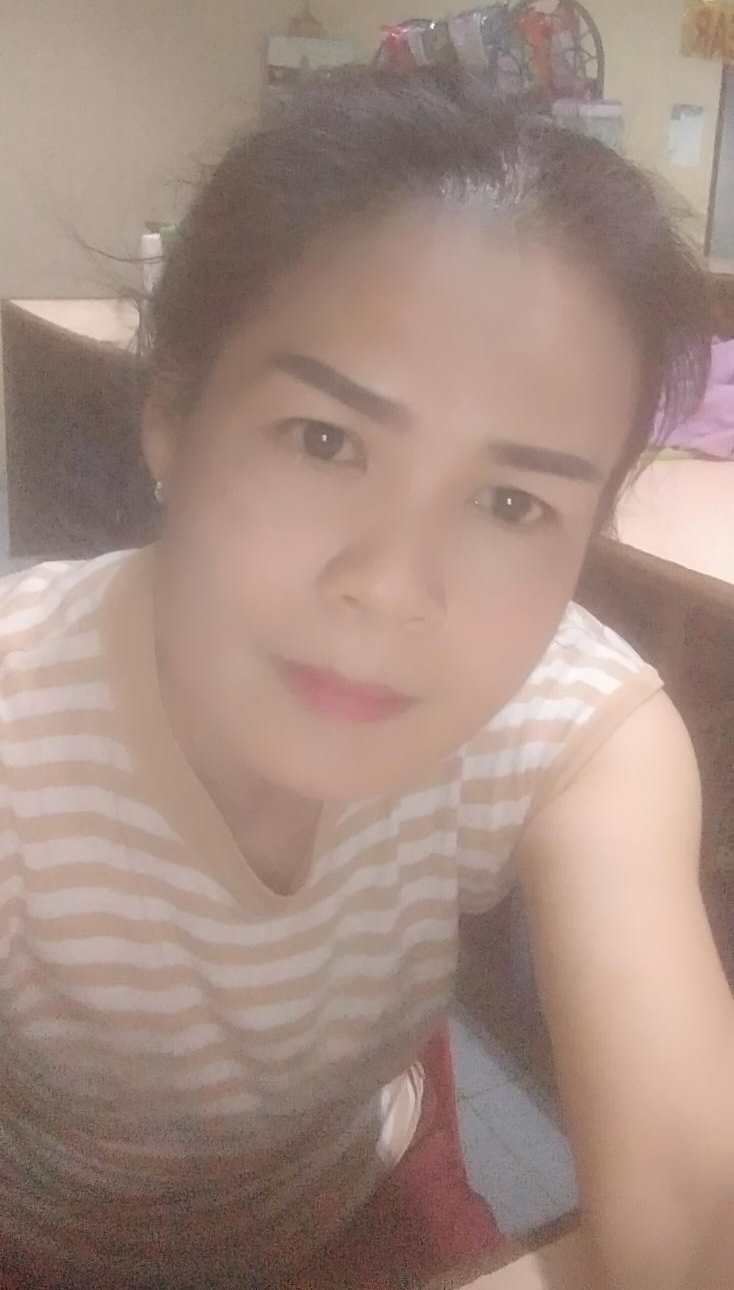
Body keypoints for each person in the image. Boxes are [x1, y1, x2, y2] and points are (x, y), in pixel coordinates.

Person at [0, 66, 732, 1290]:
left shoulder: (566, 723)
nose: (392, 586)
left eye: (510, 503)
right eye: (325, 439)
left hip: (349, 1201)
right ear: (173, 412)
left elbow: (692, 1230)